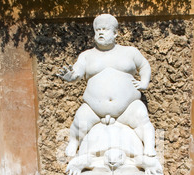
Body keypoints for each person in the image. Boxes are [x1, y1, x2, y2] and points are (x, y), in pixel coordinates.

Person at [57, 14, 156, 157]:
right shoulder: (87, 55)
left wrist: (144, 82)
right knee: (80, 119)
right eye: (97, 30)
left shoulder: (129, 52)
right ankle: (74, 142)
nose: (100, 32)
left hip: (128, 107)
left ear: (115, 33)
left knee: (141, 116)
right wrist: (71, 77)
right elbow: (77, 71)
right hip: (94, 109)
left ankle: (149, 147)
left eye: (104, 29)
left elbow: (144, 65)